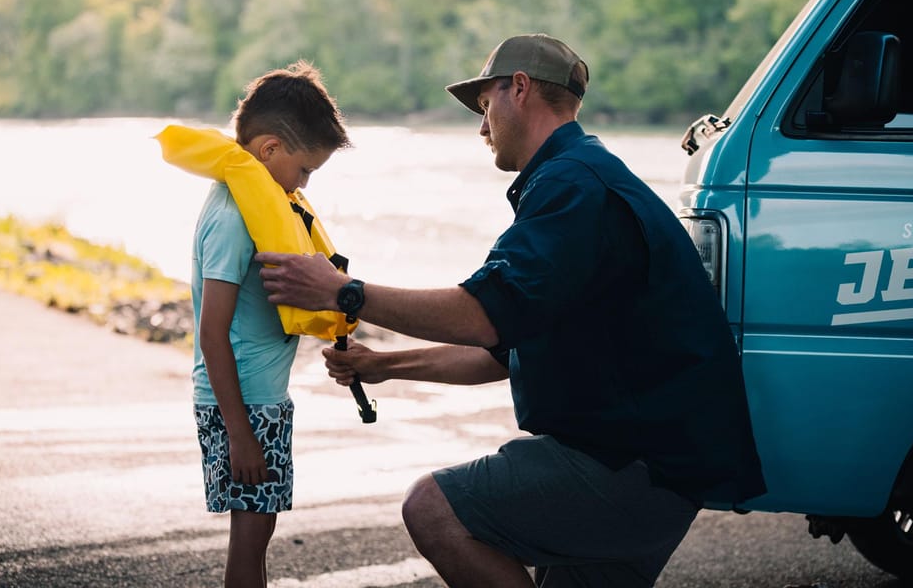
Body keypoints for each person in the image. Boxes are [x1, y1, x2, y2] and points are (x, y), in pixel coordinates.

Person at [254, 34, 766, 587]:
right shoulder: (580, 176)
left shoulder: (572, 188)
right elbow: (501, 351)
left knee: (432, 507)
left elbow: (482, 315)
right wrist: (384, 367)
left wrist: (344, 292)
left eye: (484, 106)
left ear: (517, 88)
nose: (481, 126)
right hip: (658, 468)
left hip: (630, 466)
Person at [187, 62, 350, 588]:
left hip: (258, 401)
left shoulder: (251, 203)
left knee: (259, 532)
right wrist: (240, 435)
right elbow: (212, 332)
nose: (304, 185)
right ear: (269, 150)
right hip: (243, 406)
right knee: (251, 538)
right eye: (304, 170)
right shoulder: (236, 216)